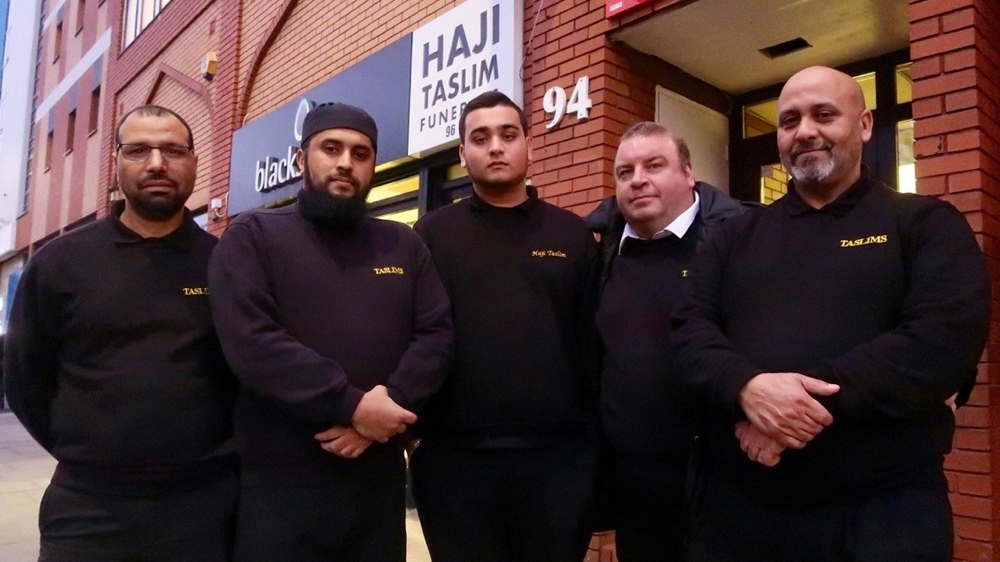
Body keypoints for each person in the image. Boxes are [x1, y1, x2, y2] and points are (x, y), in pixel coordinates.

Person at [672, 66, 990, 562]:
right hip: (744, 518)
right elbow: (689, 333)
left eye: (824, 115)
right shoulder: (732, 238)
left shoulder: (923, 224)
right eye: (789, 121)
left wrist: (784, 410)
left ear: (864, 125)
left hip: (885, 520)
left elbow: (941, 343)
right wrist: (747, 389)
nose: (804, 132)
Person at [208, 102, 453, 562]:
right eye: (331, 148)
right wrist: (352, 405)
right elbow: (252, 343)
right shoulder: (253, 237)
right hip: (279, 488)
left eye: (360, 153)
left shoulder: (403, 243)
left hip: (376, 485)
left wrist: (388, 407)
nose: (346, 162)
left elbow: (436, 336)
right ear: (301, 160)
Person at [4, 105, 238, 561]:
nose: (156, 163)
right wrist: (88, 452)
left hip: (203, 509)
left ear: (193, 162)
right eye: (138, 150)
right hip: (88, 509)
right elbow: (23, 379)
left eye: (173, 150)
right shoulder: (60, 263)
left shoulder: (226, 264)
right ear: (115, 163)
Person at [410, 91, 601, 562]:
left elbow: (594, 346)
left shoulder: (571, 235)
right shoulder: (431, 235)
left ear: (529, 146)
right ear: (462, 154)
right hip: (453, 466)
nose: (495, 146)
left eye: (508, 134)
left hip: (557, 465)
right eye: (480, 137)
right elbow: (411, 335)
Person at [583, 121, 745, 562]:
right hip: (634, 487)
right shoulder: (599, 253)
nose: (638, 179)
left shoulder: (737, 240)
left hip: (724, 482)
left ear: (689, 173)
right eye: (625, 171)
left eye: (654, 165)